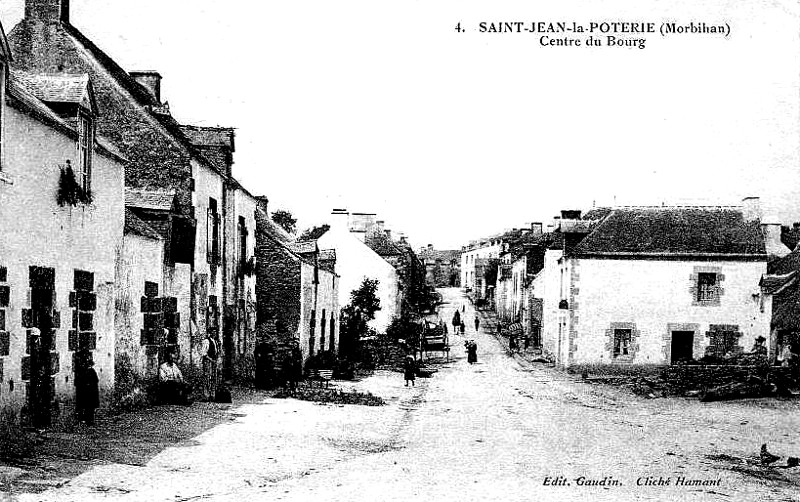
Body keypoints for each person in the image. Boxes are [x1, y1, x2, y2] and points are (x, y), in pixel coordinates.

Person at [74, 351, 99, 425]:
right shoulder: (86, 372)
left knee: (88, 407)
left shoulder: (89, 371)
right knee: (87, 407)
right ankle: (86, 420)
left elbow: (95, 381)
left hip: (89, 392)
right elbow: (95, 380)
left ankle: (87, 420)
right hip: (88, 392)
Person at [200, 333, 219, 401]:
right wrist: (211, 360)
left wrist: (216, 360)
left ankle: (212, 395)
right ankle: (206, 395)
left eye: (215, 332)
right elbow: (204, 353)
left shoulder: (215, 341)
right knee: (207, 378)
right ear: (210, 333)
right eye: (212, 332)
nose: (214, 333)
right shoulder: (206, 341)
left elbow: (216, 352)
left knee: (213, 378)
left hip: (213, 361)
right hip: (208, 361)